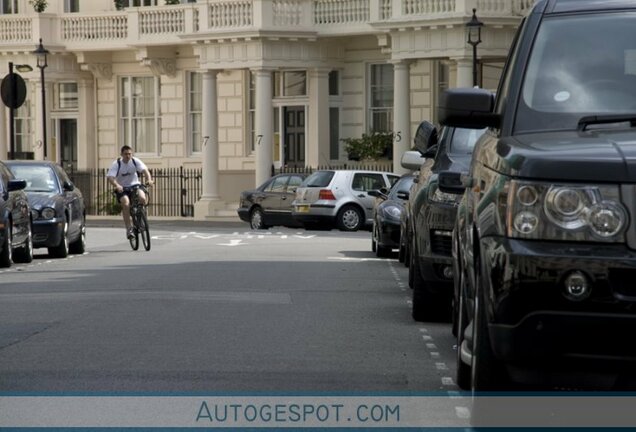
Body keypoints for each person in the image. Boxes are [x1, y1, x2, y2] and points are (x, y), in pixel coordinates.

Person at [106, 145, 154, 239]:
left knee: (142, 198)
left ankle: (141, 218)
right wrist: (117, 185)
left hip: (135, 185)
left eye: (129, 154)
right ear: (121, 154)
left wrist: (149, 180)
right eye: (126, 154)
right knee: (126, 203)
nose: (128, 156)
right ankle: (129, 229)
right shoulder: (117, 164)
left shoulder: (135, 161)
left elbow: (145, 171)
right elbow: (110, 177)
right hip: (122, 188)